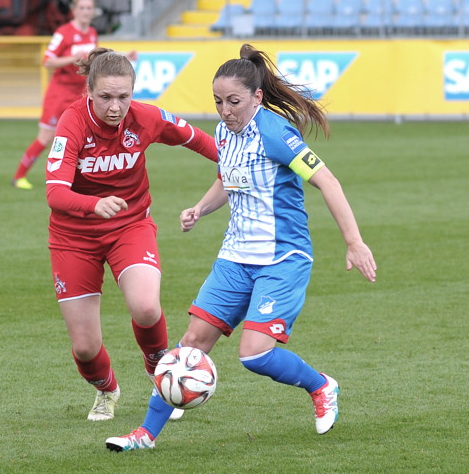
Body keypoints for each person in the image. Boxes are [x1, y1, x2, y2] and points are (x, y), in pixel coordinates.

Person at [106, 44, 377, 451]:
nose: (224, 110)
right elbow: (228, 180)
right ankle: (145, 435)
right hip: (235, 257)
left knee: (254, 355)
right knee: (189, 346)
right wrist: (201, 208)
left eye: (233, 101)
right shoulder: (223, 132)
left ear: (257, 97)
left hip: (281, 259)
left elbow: (328, 182)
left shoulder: (276, 134)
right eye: (218, 101)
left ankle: (321, 386)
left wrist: (354, 243)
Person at [46, 48, 217, 421]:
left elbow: (200, 140)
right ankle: (106, 390)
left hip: (131, 225)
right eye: (105, 97)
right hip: (74, 236)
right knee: (86, 347)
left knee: (145, 306)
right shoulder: (72, 123)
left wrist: (237, 161)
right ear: (89, 91)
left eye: (123, 97)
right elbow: (55, 193)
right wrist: (93, 205)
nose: (115, 106)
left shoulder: (146, 117)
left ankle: (162, 376)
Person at [12, 0, 98, 189]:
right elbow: (47, 61)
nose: (86, 11)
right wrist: (72, 59)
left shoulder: (92, 33)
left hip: (80, 93)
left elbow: (93, 59)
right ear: (74, 10)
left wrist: (125, 57)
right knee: (46, 136)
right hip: (59, 92)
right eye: (82, 7)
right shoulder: (63, 33)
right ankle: (19, 177)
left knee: (84, 136)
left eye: (89, 8)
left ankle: (80, 179)